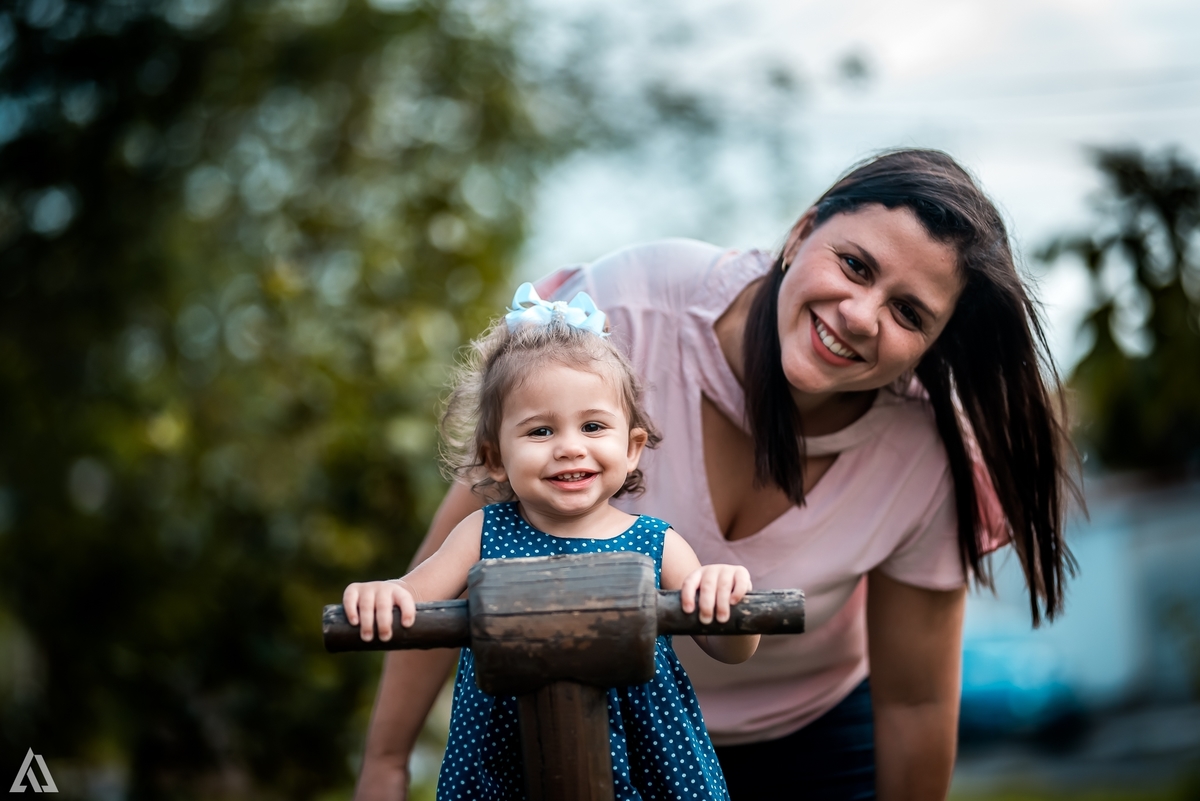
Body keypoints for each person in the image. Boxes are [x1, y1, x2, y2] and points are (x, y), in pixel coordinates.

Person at [354, 149, 1075, 800]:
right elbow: (457, 563)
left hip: (816, 744)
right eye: (855, 265)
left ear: (934, 341)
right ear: (801, 233)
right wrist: (385, 764)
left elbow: (915, 702)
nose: (859, 315)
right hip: (604, 727)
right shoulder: (625, 314)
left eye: (908, 311)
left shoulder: (925, 453)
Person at [342, 289, 759, 801]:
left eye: (592, 426)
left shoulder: (656, 544)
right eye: (540, 430)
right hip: (506, 766)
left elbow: (730, 650)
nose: (569, 447)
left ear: (631, 449)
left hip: (646, 768)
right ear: (496, 459)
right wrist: (382, 595)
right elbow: (410, 600)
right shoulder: (482, 534)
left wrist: (722, 594)